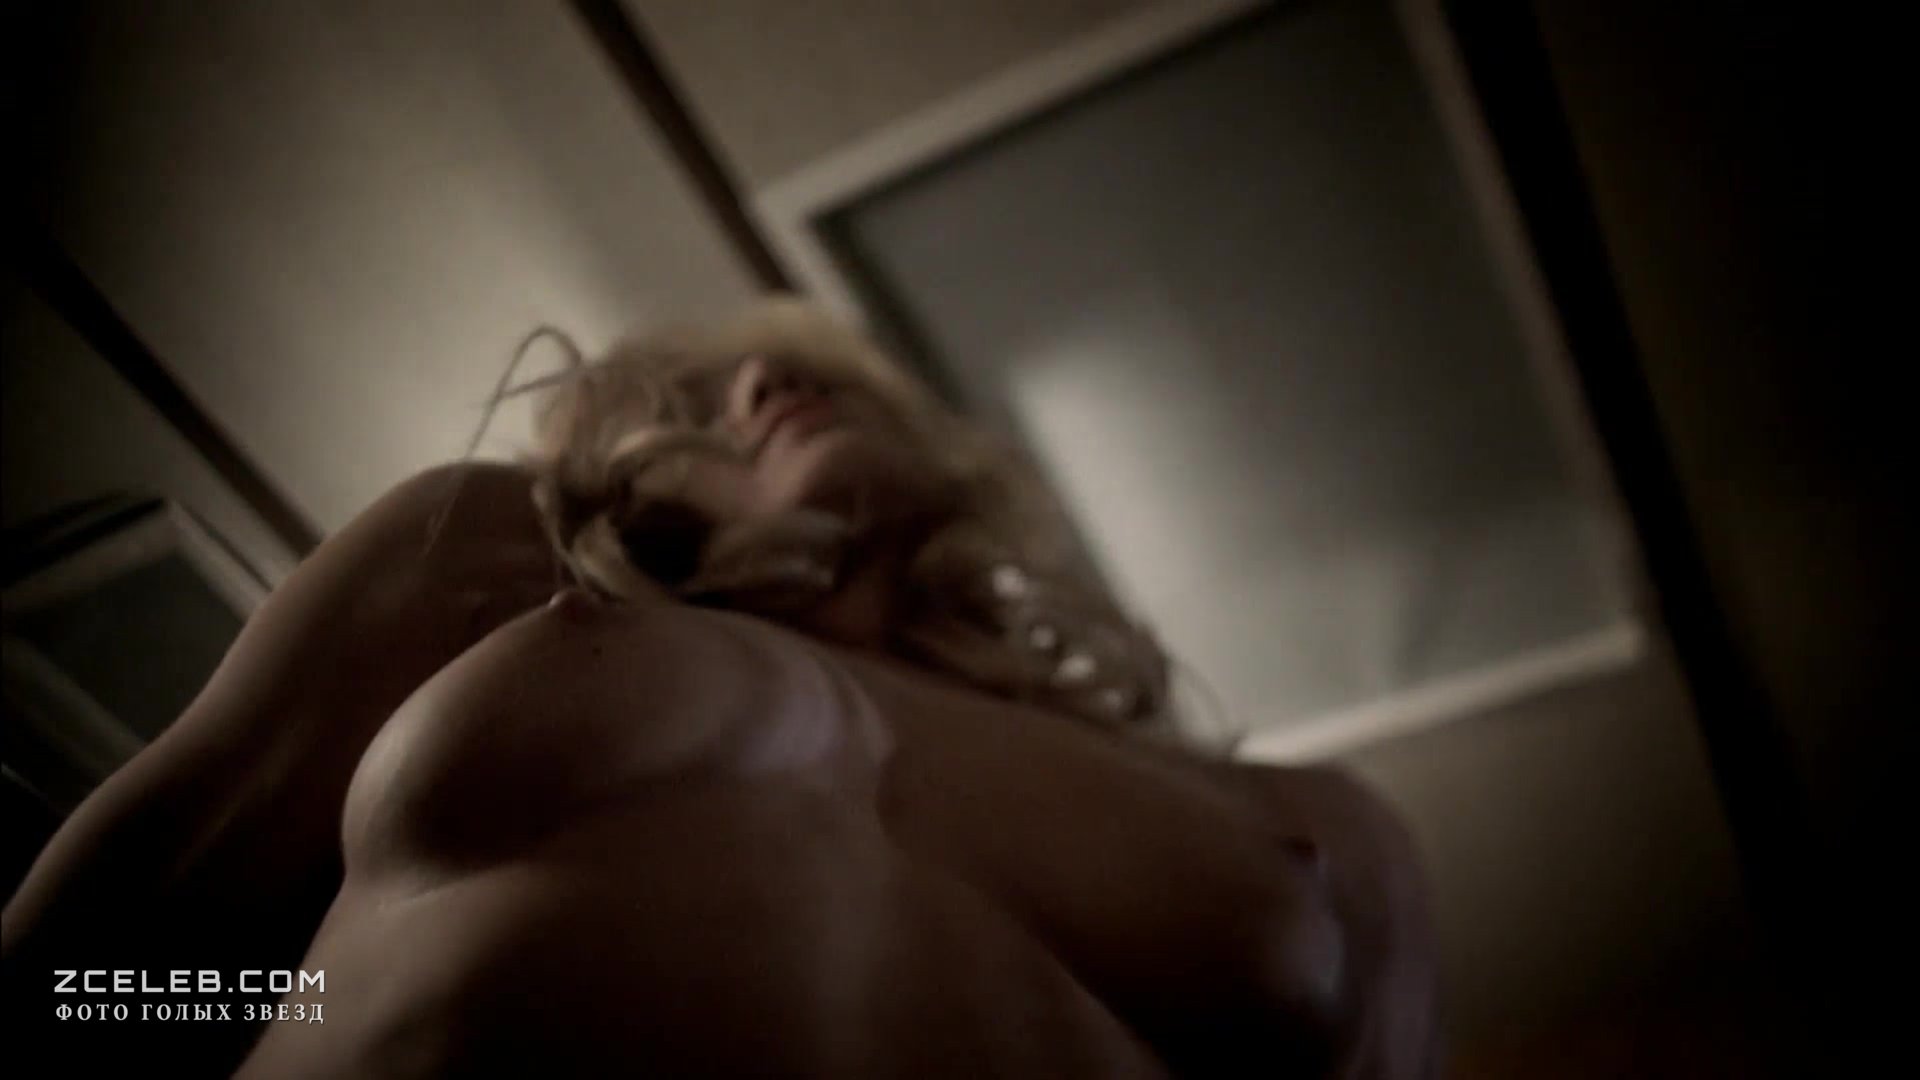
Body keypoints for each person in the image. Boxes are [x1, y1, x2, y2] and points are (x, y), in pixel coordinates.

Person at [2, 299, 1437, 1076]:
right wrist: (301, 999)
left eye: (803, 376)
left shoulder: (1287, 818)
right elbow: (78, 993)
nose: (758, 385)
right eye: (696, 407)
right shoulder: (488, 557)